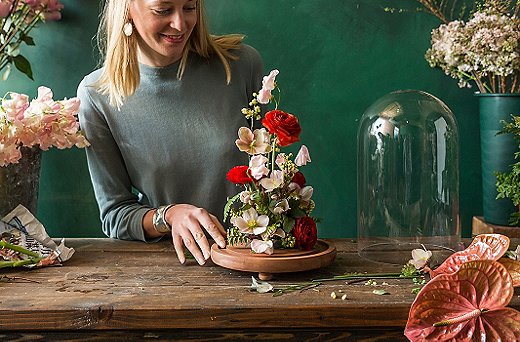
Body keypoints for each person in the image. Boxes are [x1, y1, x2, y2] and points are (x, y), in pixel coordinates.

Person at [77, 0, 264, 266]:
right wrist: (169, 216)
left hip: (254, 260)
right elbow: (115, 215)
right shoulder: (97, 95)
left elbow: (273, 175)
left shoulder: (241, 64)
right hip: (170, 269)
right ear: (128, 9)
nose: (180, 24)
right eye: (163, 10)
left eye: (189, 7)